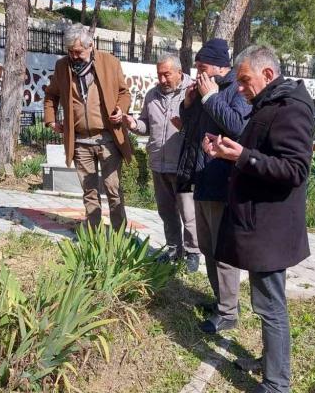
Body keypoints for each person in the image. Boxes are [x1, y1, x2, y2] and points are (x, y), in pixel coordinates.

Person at [203, 45, 314, 393]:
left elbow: (294, 170)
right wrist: (227, 153)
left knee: (270, 306)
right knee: (264, 302)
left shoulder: (290, 108)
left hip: (270, 227)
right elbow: (261, 153)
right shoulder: (268, 102)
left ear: (267, 74)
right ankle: (269, 363)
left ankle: (277, 384)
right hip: (261, 223)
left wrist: (243, 157)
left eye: (244, 80)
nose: (239, 88)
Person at [177, 38, 251, 334]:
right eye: (196, 67)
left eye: (202, 66)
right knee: (207, 247)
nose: (198, 72)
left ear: (221, 66)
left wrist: (209, 97)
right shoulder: (205, 88)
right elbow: (189, 126)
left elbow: (237, 126)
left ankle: (229, 312)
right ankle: (221, 301)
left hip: (223, 182)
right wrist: (189, 103)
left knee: (223, 251)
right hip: (201, 178)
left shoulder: (235, 89)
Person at [43, 23, 132, 231]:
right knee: (89, 191)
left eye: (78, 52)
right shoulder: (62, 66)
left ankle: (120, 236)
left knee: (113, 189)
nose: (74, 56)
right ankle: (93, 234)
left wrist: (121, 109)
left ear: (91, 46)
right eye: (70, 52)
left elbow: (124, 92)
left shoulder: (110, 62)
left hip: (108, 139)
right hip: (80, 141)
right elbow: (51, 95)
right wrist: (51, 120)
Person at [123, 54, 201, 271]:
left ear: (179, 72)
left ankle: (193, 252)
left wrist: (184, 127)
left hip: (183, 165)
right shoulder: (152, 95)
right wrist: (133, 124)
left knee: (189, 212)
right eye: (159, 75)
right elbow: (145, 125)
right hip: (158, 163)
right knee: (166, 212)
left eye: (167, 74)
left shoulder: (192, 92)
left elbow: (201, 128)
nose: (162, 79)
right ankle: (174, 249)